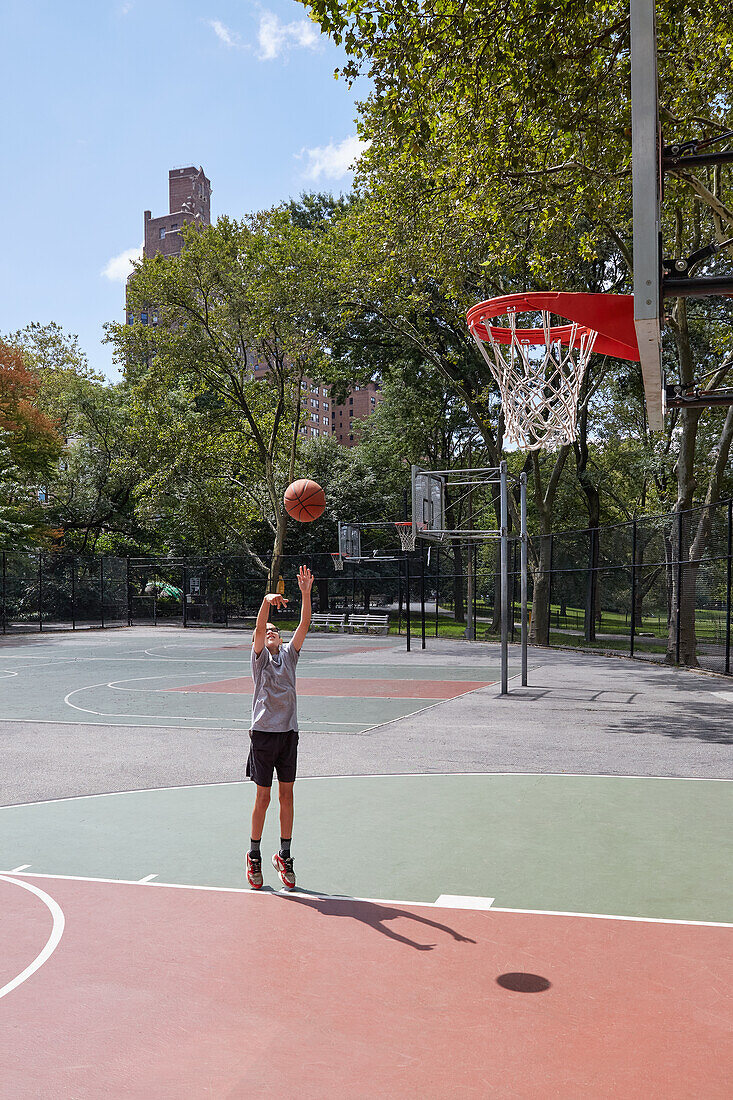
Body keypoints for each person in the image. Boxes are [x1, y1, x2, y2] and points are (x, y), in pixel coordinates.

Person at [246, 564, 313, 890]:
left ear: (281, 637)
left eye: (274, 629)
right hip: (262, 734)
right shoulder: (259, 658)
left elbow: (304, 623)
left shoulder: (289, 654)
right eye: (267, 630)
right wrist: (266, 601)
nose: (270, 631)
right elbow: (258, 628)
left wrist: (304, 593)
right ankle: (254, 855)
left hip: (288, 734)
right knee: (264, 798)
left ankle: (284, 856)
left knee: (287, 795)